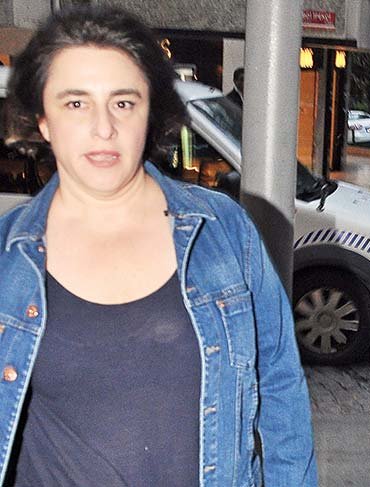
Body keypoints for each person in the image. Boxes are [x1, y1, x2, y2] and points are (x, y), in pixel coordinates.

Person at [0, 7, 316, 486]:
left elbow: (280, 392)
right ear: (43, 120)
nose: (103, 128)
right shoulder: (8, 256)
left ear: (150, 114)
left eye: (124, 103)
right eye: (76, 103)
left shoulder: (223, 232)